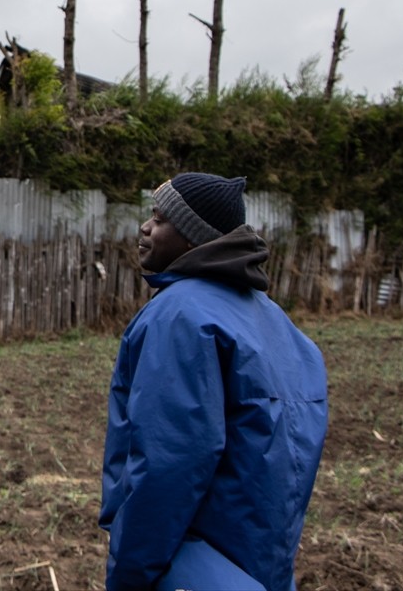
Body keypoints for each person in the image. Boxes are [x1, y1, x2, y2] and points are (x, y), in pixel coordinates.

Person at [100, 173, 328, 591]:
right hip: (260, 570)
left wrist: (129, 575)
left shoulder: (180, 317)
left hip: (192, 568)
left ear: (193, 236)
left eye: (161, 218)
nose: (146, 227)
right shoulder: (280, 325)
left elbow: (166, 466)